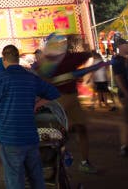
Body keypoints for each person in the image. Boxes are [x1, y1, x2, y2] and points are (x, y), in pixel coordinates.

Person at [0, 44, 60, 189]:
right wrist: (37, 104)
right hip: (30, 135)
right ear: (18, 59)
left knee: (15, 178)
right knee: (36, 176)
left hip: (10, 136)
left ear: (4, 60)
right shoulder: (30, 77)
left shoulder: (1, 79)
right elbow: (54, 93)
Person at [44, 34, 97, 173]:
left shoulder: (55, 60)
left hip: (67, 99)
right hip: (61, 99)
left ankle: (80, 161)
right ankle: (65, 158)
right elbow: (89, 55)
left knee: (75, 129)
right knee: (64, 131)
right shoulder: (56, 60)